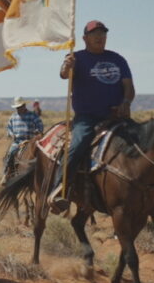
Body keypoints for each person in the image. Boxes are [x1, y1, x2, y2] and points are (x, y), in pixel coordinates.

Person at [50, 20, 134, 213]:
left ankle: (148, 199)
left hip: (116, 116)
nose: (99, 37)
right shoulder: (76, 58)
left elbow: (129, 87)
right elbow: (63, 75)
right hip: (88, 118)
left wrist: (126, 103)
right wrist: (66, 65)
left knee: (143, 144)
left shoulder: (117, 59)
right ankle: (59, 189)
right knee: (77, 146)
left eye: (103, 34)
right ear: (84, 38)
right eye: (95, 34)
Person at [4, 96, 44, 178]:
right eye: (17, 107)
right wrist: (11, 134)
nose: (18, 109)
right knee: (11, 153)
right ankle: (7, 172)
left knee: (42, 153)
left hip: (31, 141)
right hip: (17, 142)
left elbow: (40, 126)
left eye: (20, 107)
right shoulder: (13, 117)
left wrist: (37, 131)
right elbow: (8, 128)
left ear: (24, 105)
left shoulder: (33, 115)